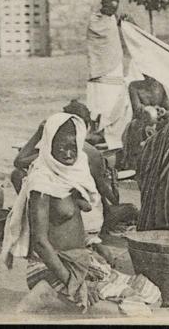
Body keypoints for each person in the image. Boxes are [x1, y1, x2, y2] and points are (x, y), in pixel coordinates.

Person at [1, 113, 161, 314]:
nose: (69, 154)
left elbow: (70, 226)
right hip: (52, 267)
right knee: (129, 313)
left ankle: (60, 297)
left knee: (151, 294)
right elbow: (41, 243)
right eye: (61, 148)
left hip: (79, 260)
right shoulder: (41, 183)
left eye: (73, 147)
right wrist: (74, 282)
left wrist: (95, 244)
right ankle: (45, 295)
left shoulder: (72, 175)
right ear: (49, 146)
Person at [11, 100, 137, 237]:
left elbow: (19, 162)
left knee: (18, 174)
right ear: (87, 126)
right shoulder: (88, 152)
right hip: (78, 216)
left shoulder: (56, 149)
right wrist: (114, 186)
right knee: (130, 209)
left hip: (57, 210)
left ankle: (36, 221)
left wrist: (39, 132)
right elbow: (106, 194)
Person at [86, 0, 131, 150]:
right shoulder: (95, 20)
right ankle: (98, 133)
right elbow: (96, 37)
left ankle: (114, 135)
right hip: (100, 69)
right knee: (101, 104)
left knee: (117, 101)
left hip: (115, 67)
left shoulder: (113, 18)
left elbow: (127, 26)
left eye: (114, 9)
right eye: (109, 8)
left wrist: (127, 21)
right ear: (103, 5)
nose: (111, 11)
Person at [121, 74, 169, 172]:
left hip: (159, 123)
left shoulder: (162, 87)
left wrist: (163, 112)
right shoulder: (134, 86)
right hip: (141, 123)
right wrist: (150, 111)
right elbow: (137, 111)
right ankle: (136, 166)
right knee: (135, 125)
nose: (149, 76)